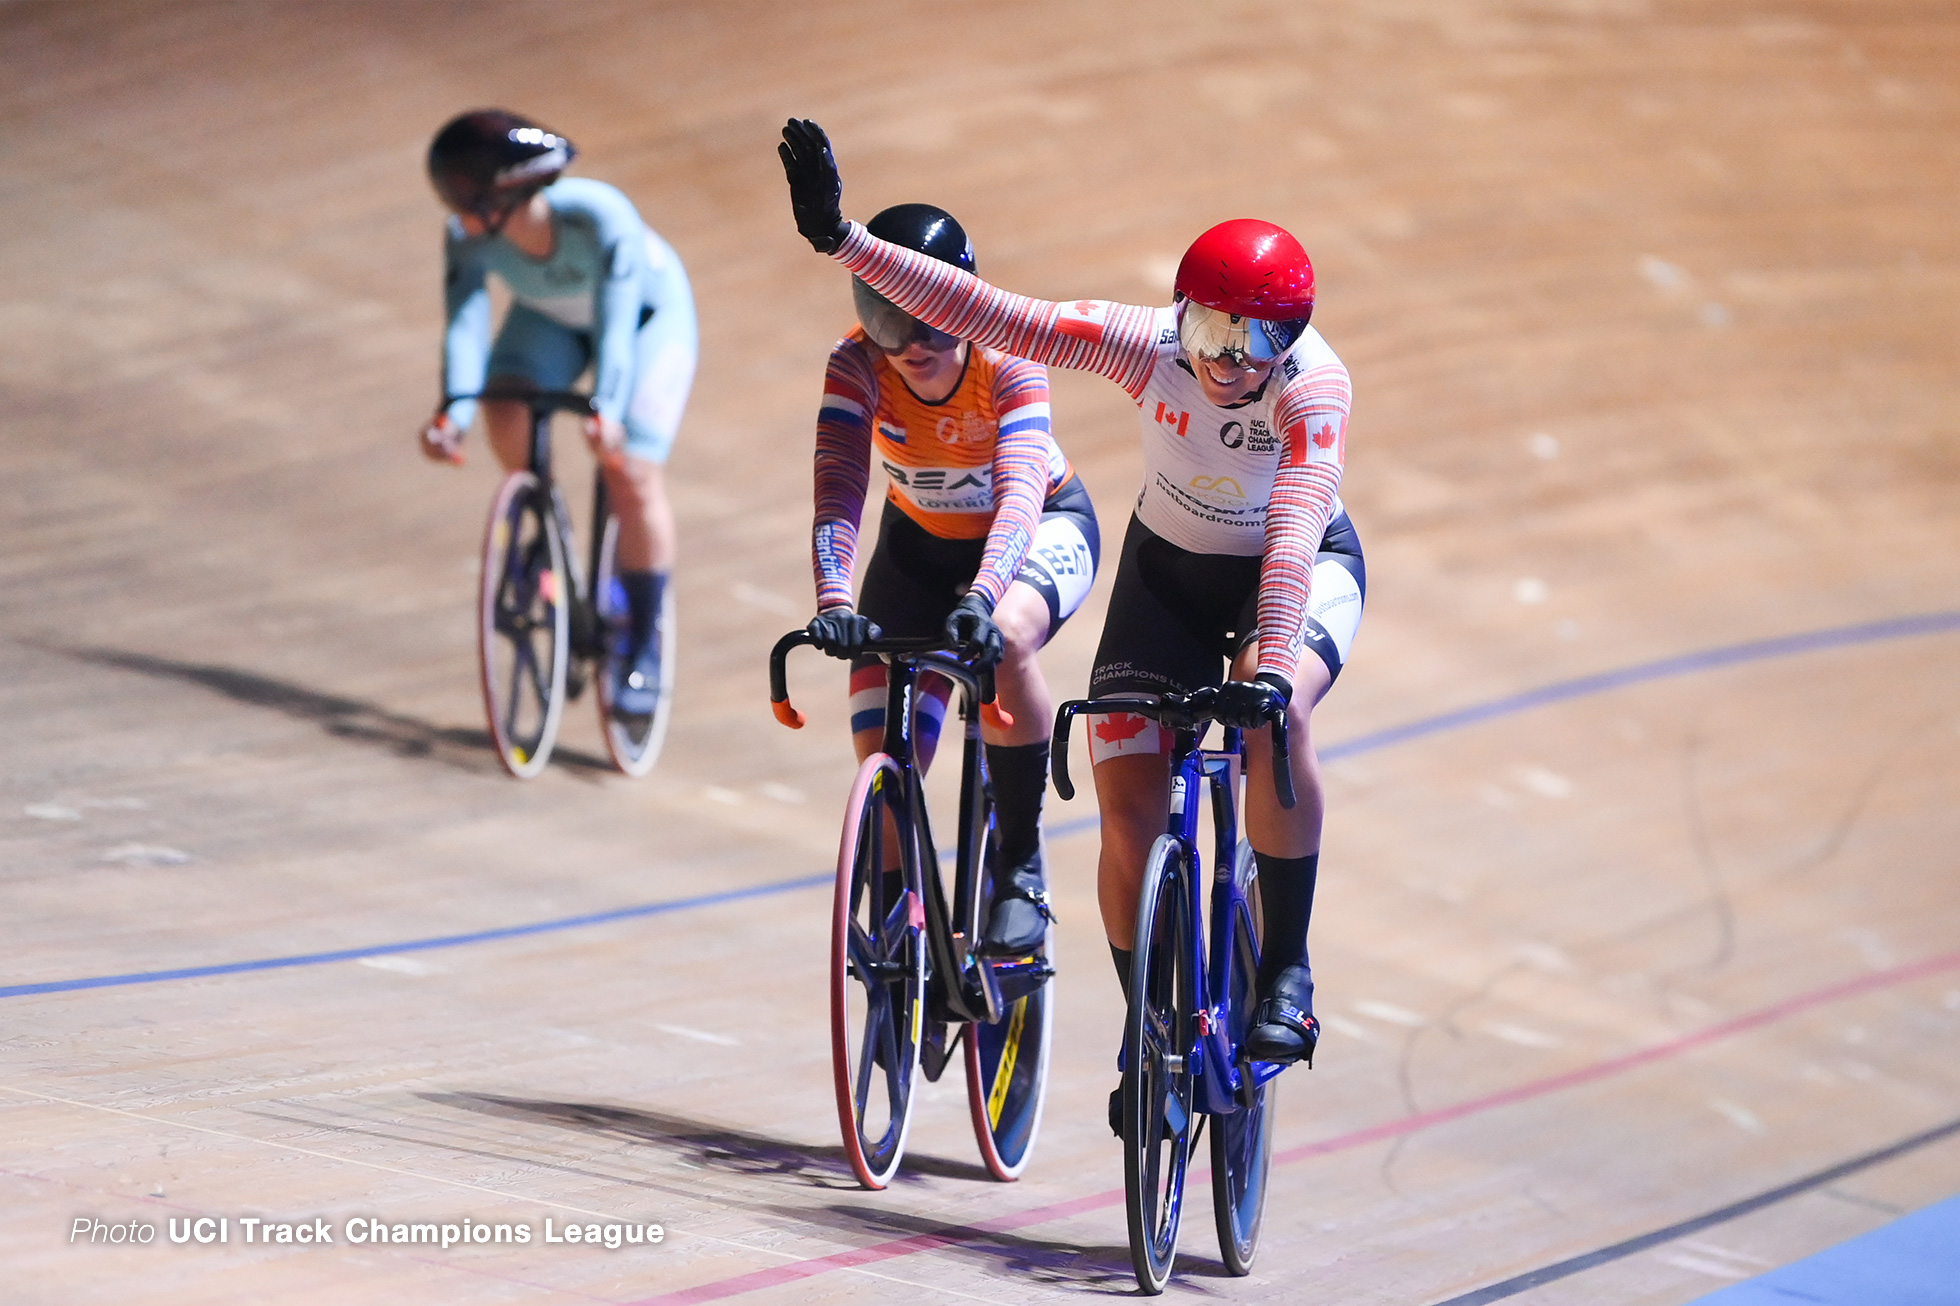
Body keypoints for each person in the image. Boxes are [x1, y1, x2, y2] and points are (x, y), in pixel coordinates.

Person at [779, 120, 1365, 1077]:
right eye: (1207, 329)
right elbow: (1004, 314)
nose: (1223, 357)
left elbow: (1294, 527)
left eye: (1252, 337)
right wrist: (845, 240)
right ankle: (1149, 1024)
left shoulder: (1313, 390)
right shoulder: (1152, 347)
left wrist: (1270, 664)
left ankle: (1289, 970)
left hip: (1289, 574)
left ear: (1290, 338)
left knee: (1276, 707)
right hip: (1166, 574)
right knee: (1125, 797)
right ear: (1179, 316)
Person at [803, 202, 1100, 958]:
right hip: (919, 550)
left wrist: (981, 597)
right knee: (885, 758)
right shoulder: (857, 363)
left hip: (1040, 530)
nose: (907, 344)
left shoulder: (1008, 359)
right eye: (883, 317)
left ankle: (1020, 865)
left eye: (928, 318)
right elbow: (839, 487)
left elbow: (1020, 494)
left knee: (1002, 642)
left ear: (964, 304)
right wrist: (835, 598)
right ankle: (899, 931)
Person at [420, 109, 696, 720]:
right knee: (502, 406)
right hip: (552, 318)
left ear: (510, 192)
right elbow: (464, 324)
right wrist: (452, 414)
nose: (458, 215)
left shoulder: (601, 218)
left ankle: (643, 642)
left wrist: (609, 410)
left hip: (648, 323)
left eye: (467, 199)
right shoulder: (466, 235)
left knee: (630, 471)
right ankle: (545, 526)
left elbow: (617, 327)